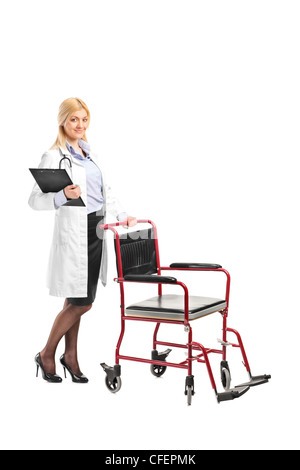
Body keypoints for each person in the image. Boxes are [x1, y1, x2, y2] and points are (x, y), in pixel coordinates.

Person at [29, 97, 137, 383]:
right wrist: (63, 196)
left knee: (75, 297)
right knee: (82, 302)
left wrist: (123, 213)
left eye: (84, 119)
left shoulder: (89, 154)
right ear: (62, 121)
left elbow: (104, 190)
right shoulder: (53, 155)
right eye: (74, 119)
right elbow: (34, 200)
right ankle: (47, 353)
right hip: (74, 234)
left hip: (96, 230)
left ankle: (71, 355)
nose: (80, 125)